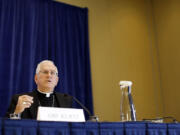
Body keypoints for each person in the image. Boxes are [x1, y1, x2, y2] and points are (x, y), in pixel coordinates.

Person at [5, 60, 72, 119]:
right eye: (45, 72)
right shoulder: (20, 99)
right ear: (36, 78)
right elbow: (7, 127)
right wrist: (17, 112)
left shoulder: (66, 100)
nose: (49, 75)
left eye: (53, 73)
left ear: (57, 80)